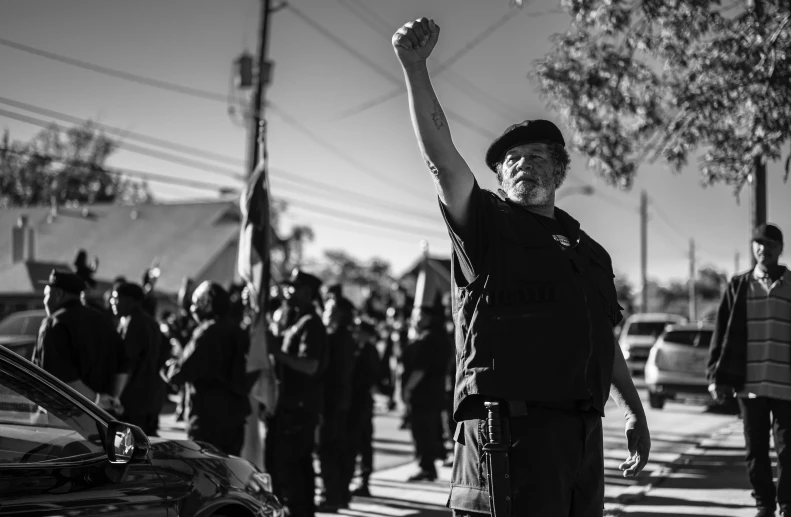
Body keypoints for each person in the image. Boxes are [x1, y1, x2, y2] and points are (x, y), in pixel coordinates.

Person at [392, 18, 650, 516]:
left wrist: (633, 409)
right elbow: (442, 162)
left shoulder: (589, 250)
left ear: (558, 171)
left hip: (580, 436)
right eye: (510, 160)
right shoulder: (485, 223)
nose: (522, 164)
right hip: (506, 433)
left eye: (536, 156)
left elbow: (603, 336)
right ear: (498, 176)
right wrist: (416, 69)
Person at [708, 223, 790, 517]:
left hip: (786, 386)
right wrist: (715, 376)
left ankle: (787, 504)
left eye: (768, 244)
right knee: (755, 451)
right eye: (757, 243)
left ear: (781, 249)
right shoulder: (739, 285)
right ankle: (764, 505)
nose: (762, 249)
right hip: (749, 384)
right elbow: (722, 333)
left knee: (787, 451)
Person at [265, 268, 328, 517]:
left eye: (293, 287)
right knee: (289, 469)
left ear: (307, 292)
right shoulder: (295, 320)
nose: (287, 291)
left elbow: (310, 365)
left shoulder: (311, 324)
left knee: (292, 470)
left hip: (299, 410)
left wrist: (277, 351)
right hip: (288, 407)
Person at [163, 281, 251, 455]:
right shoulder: (239, 331)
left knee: (206, 474)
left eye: (196, 302)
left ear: (208, 304)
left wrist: (167, 367)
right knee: (230, 473)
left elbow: (181, 373)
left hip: (208, 420)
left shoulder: (208, 331)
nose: (193, 308)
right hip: (234, 418)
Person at [32, 270, 124, 413]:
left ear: (58, 294)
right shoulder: (104, 320)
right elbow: (123, 366)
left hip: (64, 417)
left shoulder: (54, 324)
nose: (44, 301)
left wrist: (96, 400)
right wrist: (112, 398)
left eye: (46, 295)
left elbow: (60, 379)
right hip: (102, 416)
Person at [110, 282, 169, 436]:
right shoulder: (151, 322)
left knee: (124, 453)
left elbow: (127, 364)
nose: (112, 302)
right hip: (151, 398)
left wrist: (116, 396)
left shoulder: (133, 323)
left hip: (133, 402)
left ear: (129, 301)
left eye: (116, 298)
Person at [402, 305, 453, 482]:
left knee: (422, 431)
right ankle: (428, 465)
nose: (415, 320)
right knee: (429, 430)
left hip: (423, 393)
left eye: (418, 316)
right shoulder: (441, 337)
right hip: (435, 392)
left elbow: (420, 369)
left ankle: (426, 467)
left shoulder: (428, 339)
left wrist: (408, 389)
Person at [317, 295, 357, 511]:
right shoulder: (348, 338)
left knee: (329, 451)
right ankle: (340, 495)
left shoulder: (332, 337)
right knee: (340, 451)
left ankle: (332, 497)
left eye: (329, 309)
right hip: (344, 402)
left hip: (332, 403)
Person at [343, 318, 382, 501]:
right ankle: (360, 480)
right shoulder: (360, 349)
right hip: (360, 401)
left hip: (361, 402)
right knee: (361, 442)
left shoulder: (368, 351)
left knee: (359, 442)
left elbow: (367, 378)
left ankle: (361, 481)